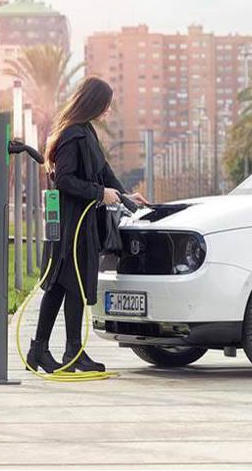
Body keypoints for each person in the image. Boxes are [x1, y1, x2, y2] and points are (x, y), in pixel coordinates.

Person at [26, 76, 148, 373]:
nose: (107, 111)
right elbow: (65, 180)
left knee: (71, 287)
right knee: (64, 285)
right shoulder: (72, 135)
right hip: (72, 226)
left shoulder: (86, 132)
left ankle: (57, 351)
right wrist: (99, 193)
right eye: (105, 105)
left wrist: (124, 196)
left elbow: (102, 171)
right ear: (93, 102)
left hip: (82, 224)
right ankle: (50, 350)